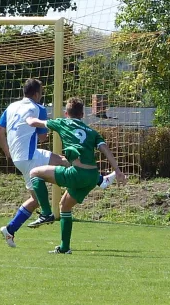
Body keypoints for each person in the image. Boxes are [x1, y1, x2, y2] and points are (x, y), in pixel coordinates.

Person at [0, 79, 115, 248]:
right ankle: (98, 181)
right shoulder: (38, 108)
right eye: (42, 93)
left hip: (17, 158)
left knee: (36, 198)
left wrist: (9, 153)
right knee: (64, 162)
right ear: (37, 94)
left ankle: (10, 230)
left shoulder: (11, 107)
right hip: (30, 155)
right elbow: (43, 136)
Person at [25, 96, 126, 254]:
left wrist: (28, 117)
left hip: (77, 173)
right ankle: (64, 248)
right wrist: (118, 171)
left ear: (66, 113)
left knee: (34, 173)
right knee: (65, 206)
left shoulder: (63, 122)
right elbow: (105, 149)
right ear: (82, 115)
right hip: (92, 176)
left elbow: (34, 123)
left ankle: (45, 213)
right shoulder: (92, 132)